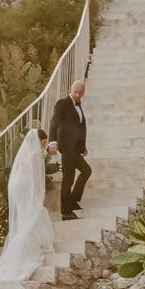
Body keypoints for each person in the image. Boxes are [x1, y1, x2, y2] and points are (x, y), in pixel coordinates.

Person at [0, 128, 54, 289]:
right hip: (24, 187)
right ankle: (28, 247)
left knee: (25, 216)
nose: (44, 145)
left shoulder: (24, 153)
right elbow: (36, 179)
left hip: (16, 186)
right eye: (44, 142)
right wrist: (39, 195)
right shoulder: (35, 154)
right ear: (40, 140)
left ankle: (21, 246)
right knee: (33, 214)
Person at [46, 79, 90, 219]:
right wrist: (53, 141)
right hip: (67, 148)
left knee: (86, 171)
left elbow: (79, 128)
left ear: (83, 93)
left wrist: (83, 146)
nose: (77, 95)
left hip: (76, 149)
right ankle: (66, 212)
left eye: (80, 93)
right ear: (70, 89)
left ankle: (72, 200)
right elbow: (54, 123)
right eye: (75, 92)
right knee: (68, 179)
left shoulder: (78, 105)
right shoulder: (63, 103)